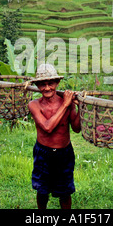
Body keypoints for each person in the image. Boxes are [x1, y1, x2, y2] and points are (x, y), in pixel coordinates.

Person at [28, 64, 81, 209]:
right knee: (42, 190)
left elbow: (76, 129)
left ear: (57, 83)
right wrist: (65, 105)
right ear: (38, 86)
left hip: (64, 153)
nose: (47, 88)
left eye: (50, 83)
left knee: (65, 192)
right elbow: (47, 127)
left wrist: (80, 106)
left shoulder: (67, 103)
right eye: (42, 84)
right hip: (43, 153)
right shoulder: (34, 105)